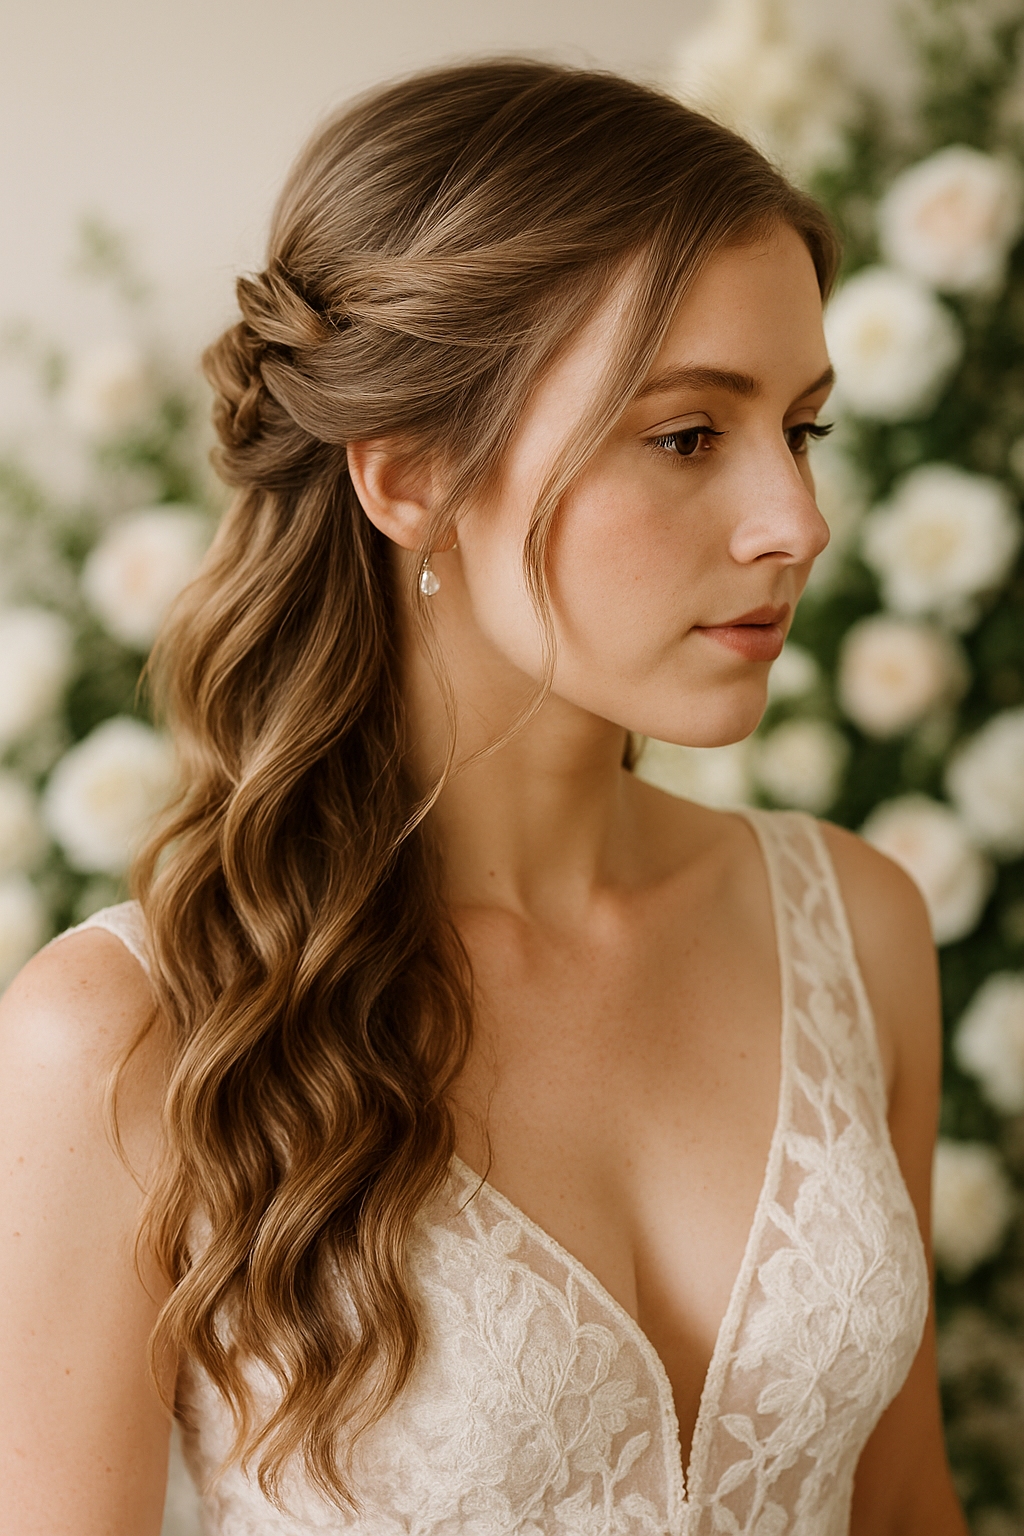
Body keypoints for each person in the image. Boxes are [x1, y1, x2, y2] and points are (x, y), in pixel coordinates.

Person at [0, 59, 967, 1536]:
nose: (797, 522)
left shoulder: (859, 927)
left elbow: (904, 1505)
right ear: (409, 475)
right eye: (691, 434)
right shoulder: (125, 1038)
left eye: (805, 428)